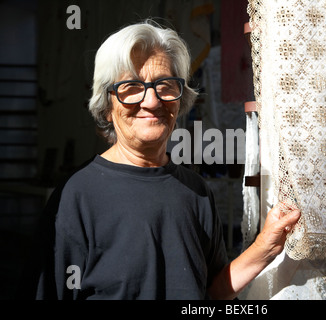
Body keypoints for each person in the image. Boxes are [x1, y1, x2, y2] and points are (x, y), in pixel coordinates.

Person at [27, 20, 301, 300]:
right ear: (107, 106)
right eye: (132, 86)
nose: (152, 101)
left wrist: (265, 247)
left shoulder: (196, 191)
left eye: (165, 85)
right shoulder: (76, 197)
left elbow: (211, 293)